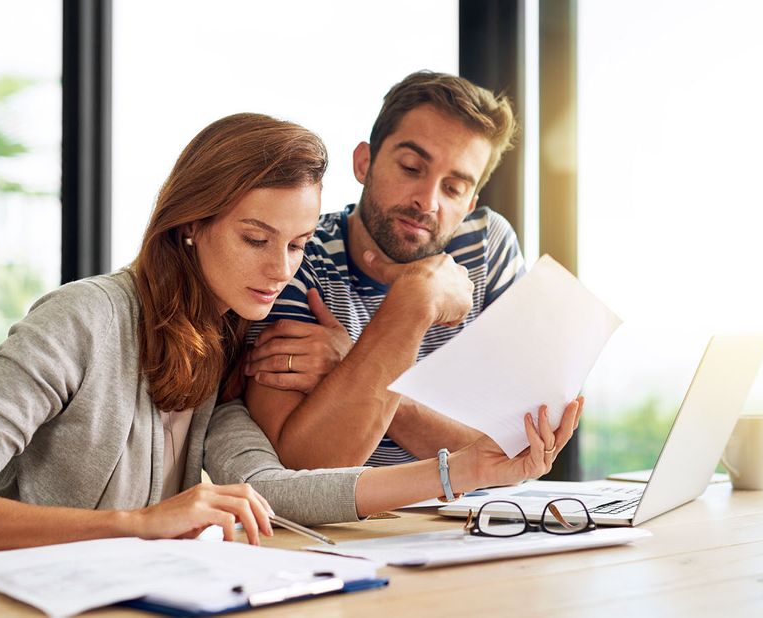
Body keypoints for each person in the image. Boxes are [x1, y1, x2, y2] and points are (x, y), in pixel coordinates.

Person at [0, 112, 579, 556]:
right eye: (255, 238)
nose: (280, 269)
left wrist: (464, 473)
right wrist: (141, 523)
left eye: (301, 244)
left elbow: (273, 488)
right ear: (192, 222)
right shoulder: (81, 319)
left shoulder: (223, 342)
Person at [243, 71, 582, 470]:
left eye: (453, 188)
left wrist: (350, 366)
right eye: (410, 167)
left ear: (470, 203)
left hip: (468, 520)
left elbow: (518, 451)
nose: (427, 201)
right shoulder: (298, 254)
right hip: (350, 526)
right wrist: (417, 299)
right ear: (364, 163)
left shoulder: (486, 246)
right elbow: (303, 467)